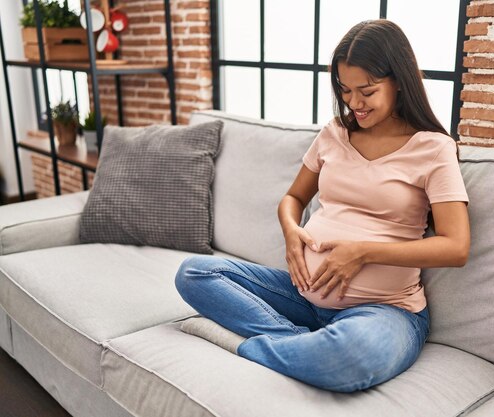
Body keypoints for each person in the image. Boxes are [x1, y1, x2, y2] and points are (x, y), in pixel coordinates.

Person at [175, 19, 470, 393]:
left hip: (384, 310)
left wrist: (362, 253)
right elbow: (293, 198)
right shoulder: (334, 133)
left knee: (351, 356)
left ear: (399, 80)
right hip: (301, 296)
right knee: (194, 274)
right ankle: (300, 343)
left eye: (367, 91)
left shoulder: (433, 149)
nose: (354, 103)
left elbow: (456, 246)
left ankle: (254, 347)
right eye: (345, 90)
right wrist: (291, 232)